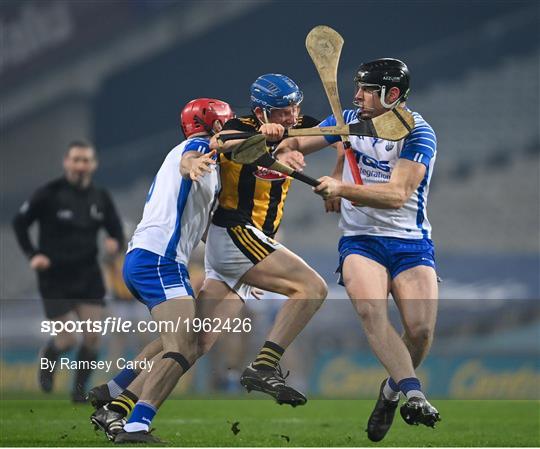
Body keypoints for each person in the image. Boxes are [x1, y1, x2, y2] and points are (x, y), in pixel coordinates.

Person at [274, 59, 441, 440]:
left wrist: (341, 188)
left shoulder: (419, 134)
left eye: (366, 90)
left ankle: (390, 392)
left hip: (410, 243)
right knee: (371, 312)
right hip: (360, 241)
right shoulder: (349, 119)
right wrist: (287, 151)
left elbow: (397, 195)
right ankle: (414, 394)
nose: (357, 96)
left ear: (392, 95)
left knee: (420, 331)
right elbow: (297, 140)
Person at [90, 98, 235, 444]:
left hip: (160, 260)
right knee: (185, 345)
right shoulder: (195, 150)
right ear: (213, 125)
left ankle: (114, 391)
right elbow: (189, 159)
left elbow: (202, 229)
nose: (227, 129)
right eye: (224, 123)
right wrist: (193, 164)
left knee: (187, 337)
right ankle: (134, 423)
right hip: (158, 259)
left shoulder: (210, 172)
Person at [199, 73, 327, 406]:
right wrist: (265, 139)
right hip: (235, 232)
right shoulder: (240, 128)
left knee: (196, 339)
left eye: (294, 108)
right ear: (260, 113)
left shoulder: (297, 125)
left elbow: (328, 133)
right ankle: (263, 366)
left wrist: (288, 144)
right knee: (313, 289)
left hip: (250, 242)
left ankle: (120, 391)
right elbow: (219, 143)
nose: (292, 116)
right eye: (283, 111)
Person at [12, 140, 125, 402]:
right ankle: (49, 355)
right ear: (66, 162)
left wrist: (114, 242)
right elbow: (20, 222)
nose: (80, 165)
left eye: (85, 160)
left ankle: (78, 393)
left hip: (87, 274)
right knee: (68, 340)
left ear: (93, 165)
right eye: (76, 160)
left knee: (93, 337)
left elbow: (116, 230)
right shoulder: (48, 194)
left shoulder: (101, 197)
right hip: (54, 277)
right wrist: (33, 254)